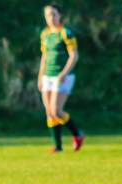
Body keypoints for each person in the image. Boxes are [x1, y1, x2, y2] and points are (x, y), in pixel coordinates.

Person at [38, 2, 85, 153]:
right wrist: (40, 76)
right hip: (48, 75)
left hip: (63, 76)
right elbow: (44, 56)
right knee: (49, 112)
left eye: (53, 14)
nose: (50, 18)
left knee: (56, 110)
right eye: (48, 15)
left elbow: (74, 55)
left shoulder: (66, 33)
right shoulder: (45, 34)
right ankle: (58, 147)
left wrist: (64, 73)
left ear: (60, 16)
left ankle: (78, 134)